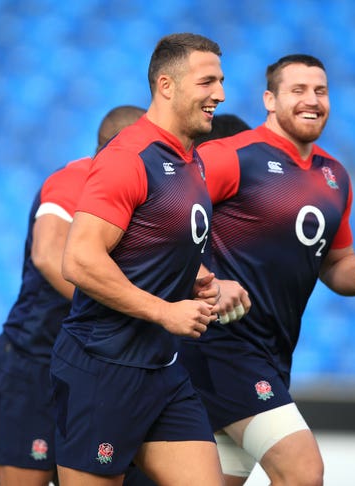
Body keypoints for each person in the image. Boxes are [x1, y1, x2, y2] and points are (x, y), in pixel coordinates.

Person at [180, 54, 355, 486]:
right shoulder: (229, 155)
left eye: (320, 91)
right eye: (297, 90)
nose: (311, 100)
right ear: (270, 100)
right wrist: (208, 280)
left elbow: (336, 263)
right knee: (302, 469)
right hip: (221, 345)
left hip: (273, 353)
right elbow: (164, 226)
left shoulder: (334, 176)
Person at [51, 33, 227, 486]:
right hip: (102, 369)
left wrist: (193, 278)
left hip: (163, 372)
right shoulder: (128, 157)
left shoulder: (192, 161)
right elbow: (80, 259)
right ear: (166, 85)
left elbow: (148, 244)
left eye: (221, 81)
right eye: (207, 81)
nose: (220, 95)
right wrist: (164, 310)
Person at [0, 105, 147, 486]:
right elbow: (47, 253)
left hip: (95, 373)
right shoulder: (78, 179)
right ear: (123, 147)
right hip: (31, 367)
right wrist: (131, 307)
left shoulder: (149, 196)